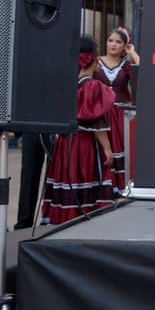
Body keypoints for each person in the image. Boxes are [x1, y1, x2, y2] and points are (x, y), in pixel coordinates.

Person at [40, 36, 117, 225]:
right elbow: (96, 120)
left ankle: (63, 220)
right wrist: (107, 147)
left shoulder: (68, 85)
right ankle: (83, 223)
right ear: (93, 58)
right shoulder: (92, 87)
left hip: (65, 143)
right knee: (86, 183)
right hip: (84, 145)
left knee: (67, 181)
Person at [92, 26, 138, 194]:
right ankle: (101, 185)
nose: (113, 44)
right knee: (101, 150)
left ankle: (118, 187)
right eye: (110, 40)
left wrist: (132, 52)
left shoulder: (126, 65)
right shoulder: (96, 61)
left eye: (118, 42)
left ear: (124, 46)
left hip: (119, 115)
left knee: (119, 148)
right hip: (99, 113)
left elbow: (144, 71)